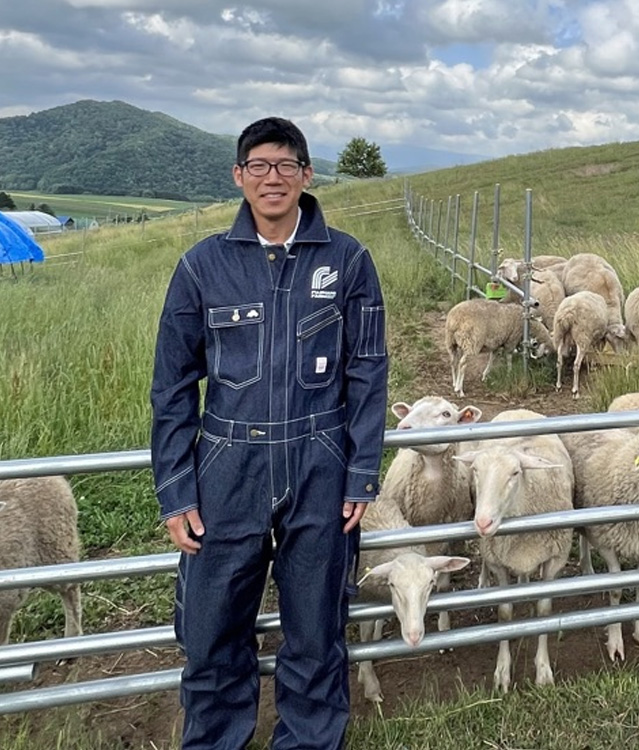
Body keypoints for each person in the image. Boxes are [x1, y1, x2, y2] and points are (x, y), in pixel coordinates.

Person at [150, 116, 388, 750]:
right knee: (212, 626)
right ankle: (215, 740)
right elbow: (172, 386)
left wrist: (362, 471)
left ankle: (308, 741)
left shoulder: (348, 260)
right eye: (259, 165)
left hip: (321, 459)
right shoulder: (202, 266)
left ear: (307, 176)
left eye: (286, 165)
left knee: (314, 627)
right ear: (239, 176)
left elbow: (367, 372)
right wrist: (177, 488)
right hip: (227, 462)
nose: (273, 177)